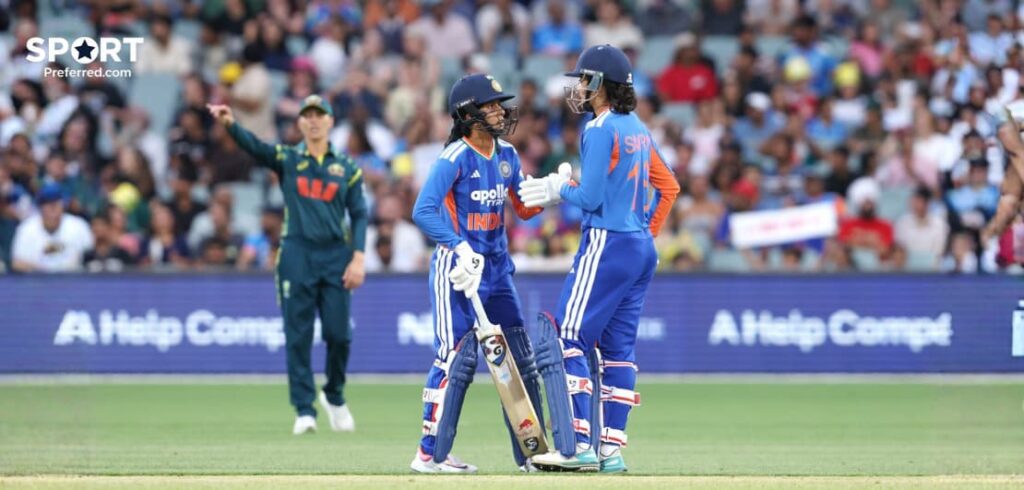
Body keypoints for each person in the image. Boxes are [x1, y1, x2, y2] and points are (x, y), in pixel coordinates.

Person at [519, 44, 680, 473]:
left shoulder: (598, 128)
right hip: (639, 247)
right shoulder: (638, 127)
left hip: (607, 242)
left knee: (569, 338)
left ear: (602, 84)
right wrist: (646, 233)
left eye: (584, 80)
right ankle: (611, 451)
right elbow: (669, 187)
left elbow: (589, 198)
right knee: (618, 352)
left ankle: (577, 447)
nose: (579, 88)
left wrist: (557, 189)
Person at [409, 73, 550, 473]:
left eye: (499, 105)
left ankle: (532, 454)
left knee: (520, 361)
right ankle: (428, 454)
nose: (500, 112)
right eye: (490, 106)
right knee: (454, 360)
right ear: (468, 113)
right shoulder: (454, 157)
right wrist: (459, 247)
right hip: (458, 272)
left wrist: (550, 192)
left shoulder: (507, 154)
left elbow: (522, 207)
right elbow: (423, 210)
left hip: (498, 271)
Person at [207, 95, 368, 435]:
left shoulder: (347, 168)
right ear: (300, 123)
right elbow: (256, 148)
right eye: (307, 115)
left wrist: (358, 256)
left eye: (319, 115)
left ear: (330, 122)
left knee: (340, 334)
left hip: (335, 256)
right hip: (297, 255)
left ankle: (334, 394)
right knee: (298, 336)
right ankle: (304, 410)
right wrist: (230, 124)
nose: (313, 120)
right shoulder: (289, 158)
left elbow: (359, 213)